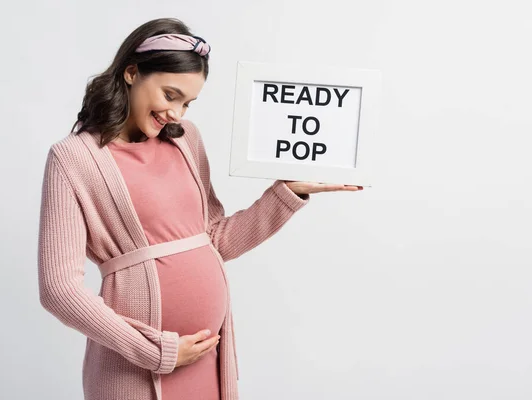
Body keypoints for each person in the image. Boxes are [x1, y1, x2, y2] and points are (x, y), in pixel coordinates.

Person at [37, 17, 362, 400]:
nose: (177, 114)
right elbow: (58, 290)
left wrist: (285, 193)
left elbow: (214, 239)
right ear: (131, 73)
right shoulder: (73, 158)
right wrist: (156, 352)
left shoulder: (186, 140)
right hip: (135, 368)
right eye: (170, 95)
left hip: (208, 359)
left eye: (187, 103)